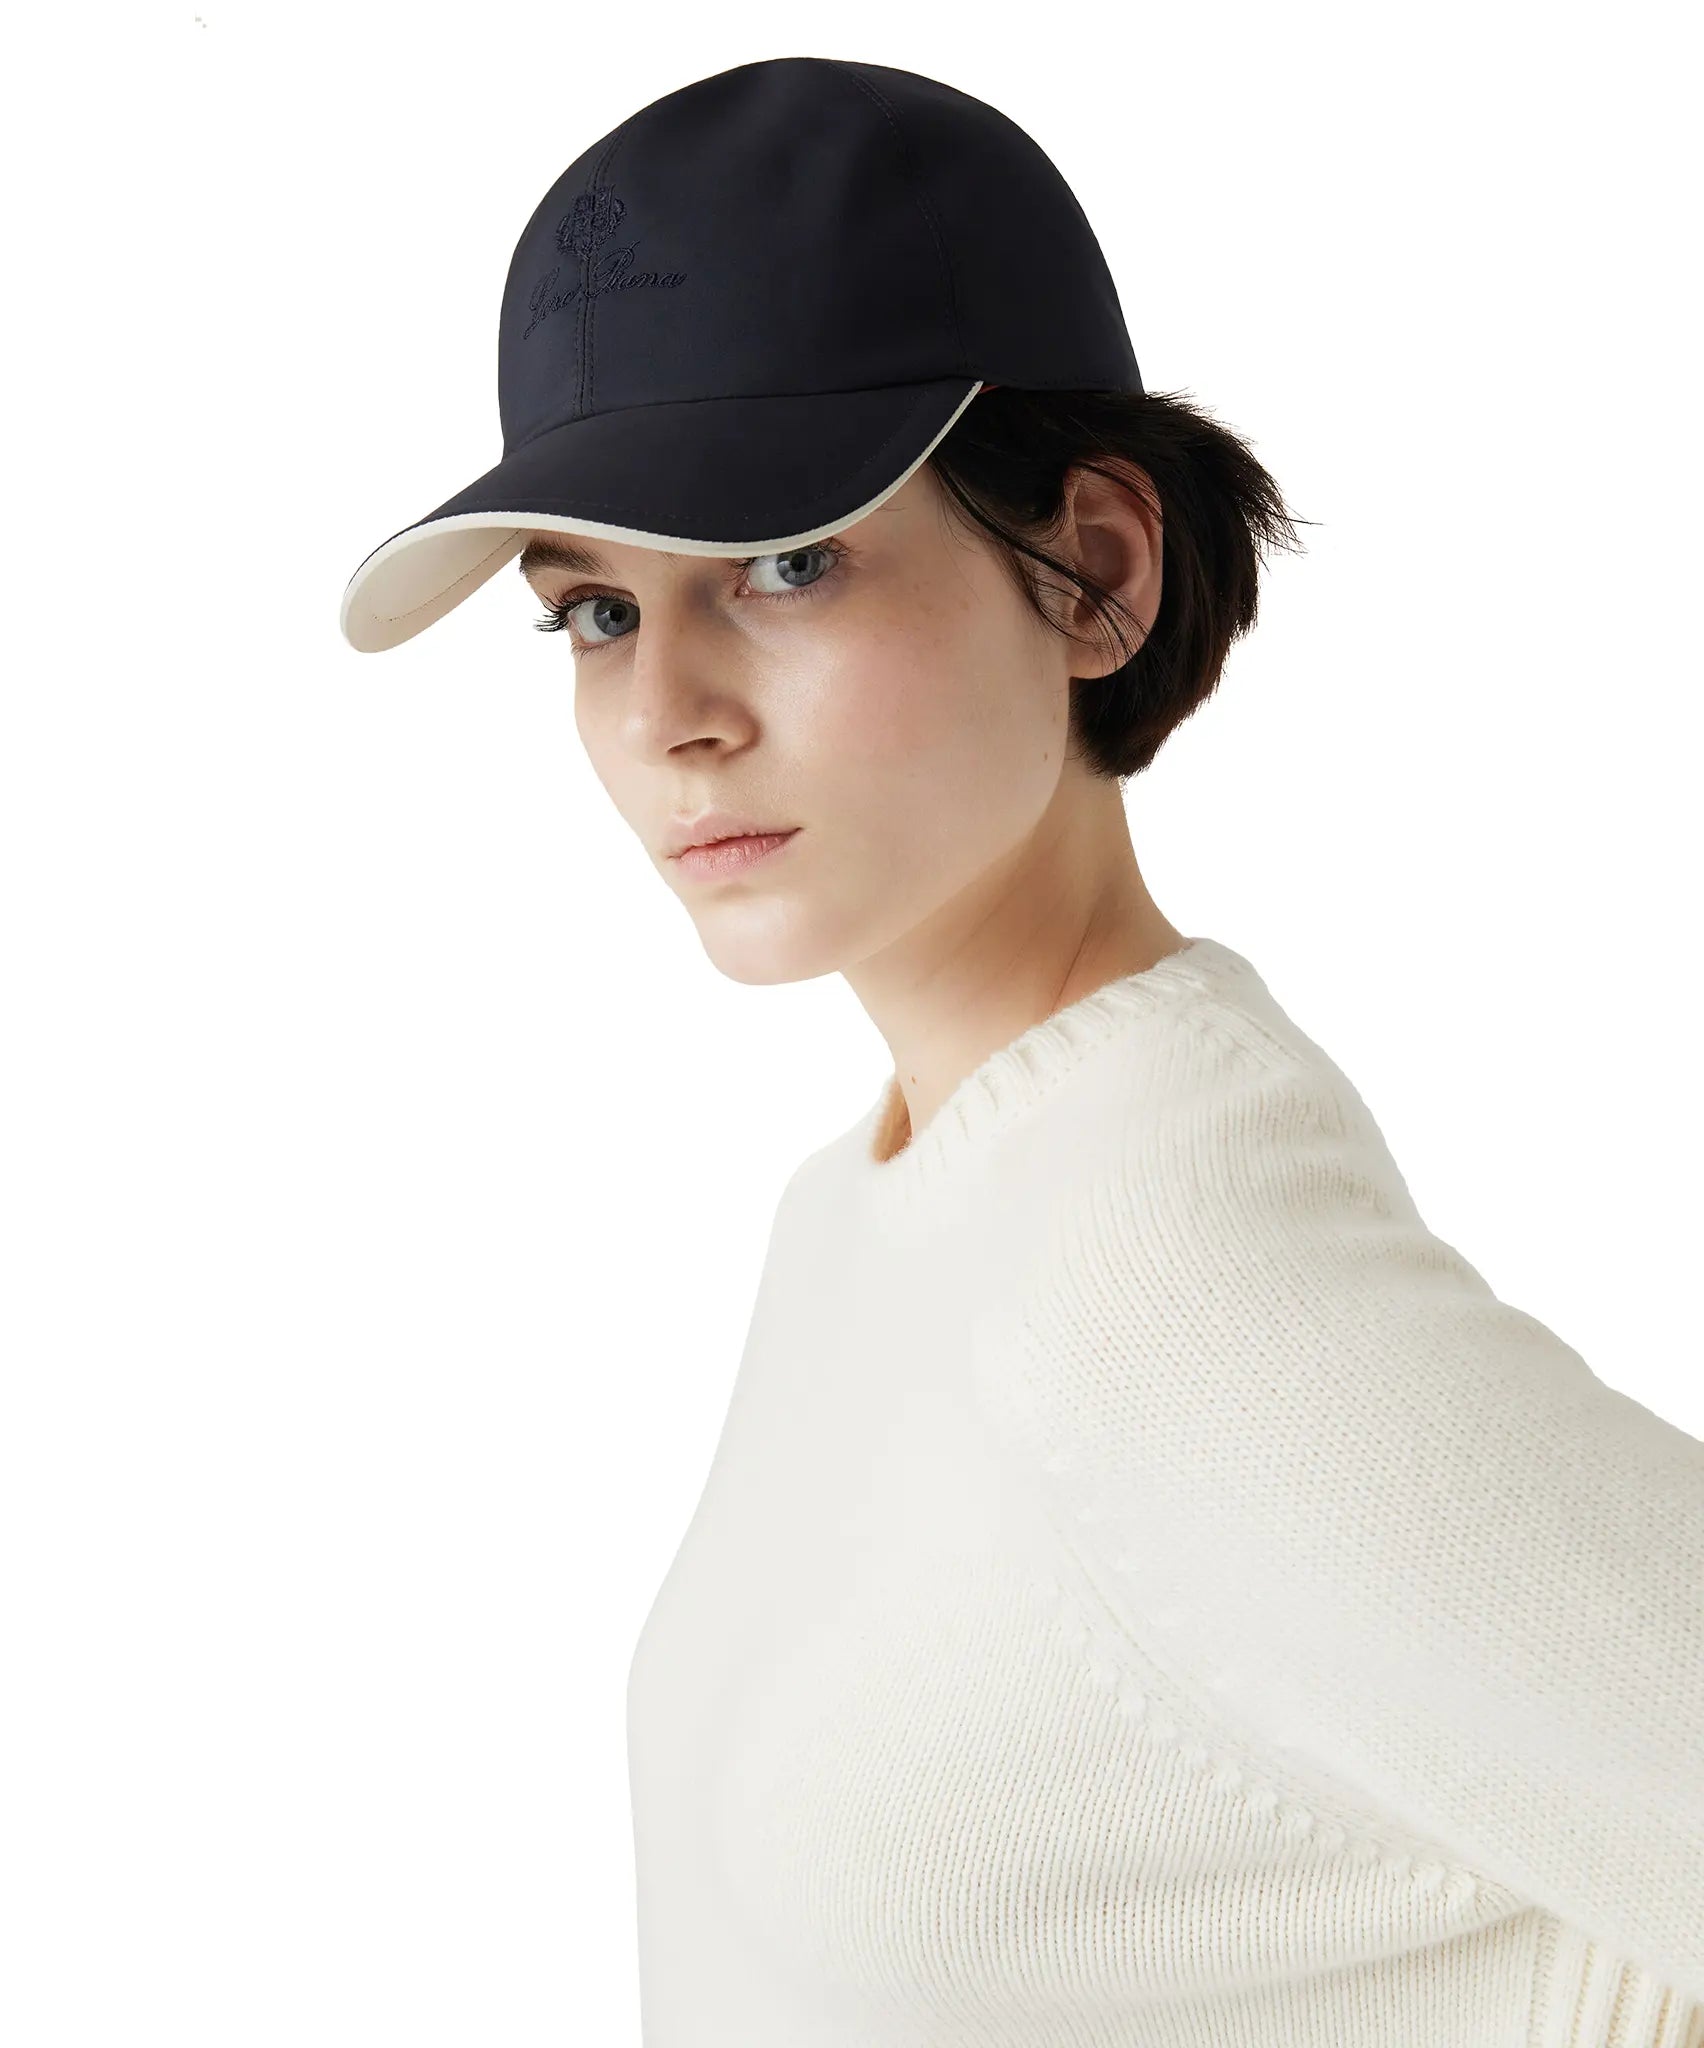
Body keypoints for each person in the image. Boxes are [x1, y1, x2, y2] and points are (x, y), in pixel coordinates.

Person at [342, 56, 1704, 2048]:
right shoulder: (877, 1208)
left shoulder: (1183, 1299)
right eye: (595, 613)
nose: (667, 711)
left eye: (784, 563)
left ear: (1095, 572)